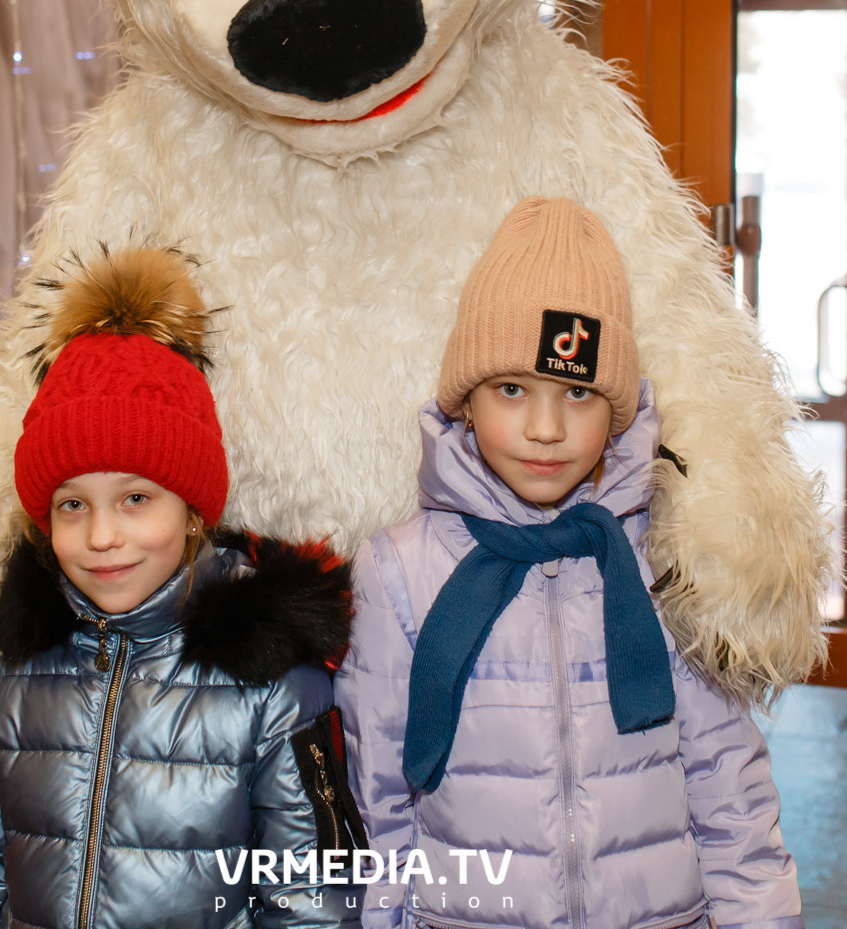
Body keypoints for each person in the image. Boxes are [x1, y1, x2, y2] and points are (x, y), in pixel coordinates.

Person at [335, 199, 804, 929]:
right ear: (465, 399)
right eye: (513, 389)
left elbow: (727, 786)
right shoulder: (399, 570)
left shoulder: (669, 556)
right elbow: (379, 799)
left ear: (619, 409)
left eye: (578, 392)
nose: (545, 429)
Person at [0, 246, 365, 929]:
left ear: (193, 513)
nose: (102, 537)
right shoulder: (17, 672)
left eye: (135, 499)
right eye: (74, 506)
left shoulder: (273, 683)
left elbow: (314, 902)